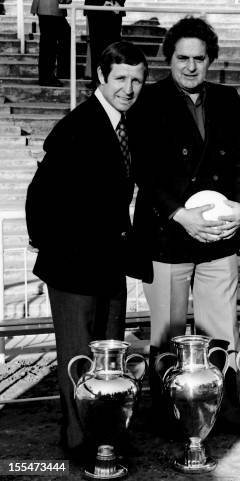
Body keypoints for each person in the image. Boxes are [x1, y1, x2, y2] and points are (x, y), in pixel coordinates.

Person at [131, 17, 240, 422]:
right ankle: (169, 413)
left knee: (221, 332)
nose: (190, 66)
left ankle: (220, 408)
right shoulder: (147, 100)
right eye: (182, 58)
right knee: (167, 335)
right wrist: (180, 214)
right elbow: (145, 170)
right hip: (168, 237)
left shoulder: (226, 97)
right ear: (168, 59)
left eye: (199, 59)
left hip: (220, 236)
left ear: (210, 61)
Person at [25, 41, 149, 458]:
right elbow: (40, 195)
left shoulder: (124, 123)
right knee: (78, 361)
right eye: (120, 79)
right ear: (101, 77)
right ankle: (81, 442)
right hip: (75, 267)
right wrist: (54, 244)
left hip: (108, 264)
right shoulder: (78, 125)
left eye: (136, 79)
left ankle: (105, 435)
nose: (128, 88)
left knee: (108, 361)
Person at [84, 0, 125, 89]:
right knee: (96, 47)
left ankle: (111, 79)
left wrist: (117, 2)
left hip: (113, 9)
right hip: (95, 9)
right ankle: (97, 79)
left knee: (113, 47)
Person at [31, 0, 70, 87]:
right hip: (51, 10)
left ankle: (47, 76)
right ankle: (49, 77)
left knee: (48, 45)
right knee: (49, 46)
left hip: (45, 9)